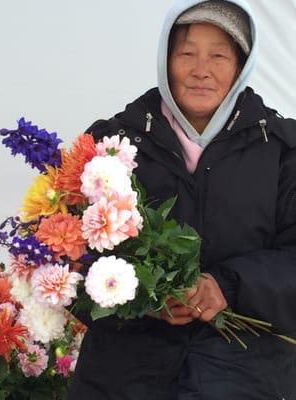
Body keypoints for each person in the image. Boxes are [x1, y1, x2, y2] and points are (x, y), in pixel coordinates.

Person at [68, 0, 296, 399]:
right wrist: (139, 298)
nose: (200, 70)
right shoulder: (112, 144)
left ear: (241, 66)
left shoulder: (281, 148)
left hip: (245, 370)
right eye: (186, 53)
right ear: (165, 59)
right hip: (125, 373)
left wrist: (228, 285)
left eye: (219, 55)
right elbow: (66, 258)